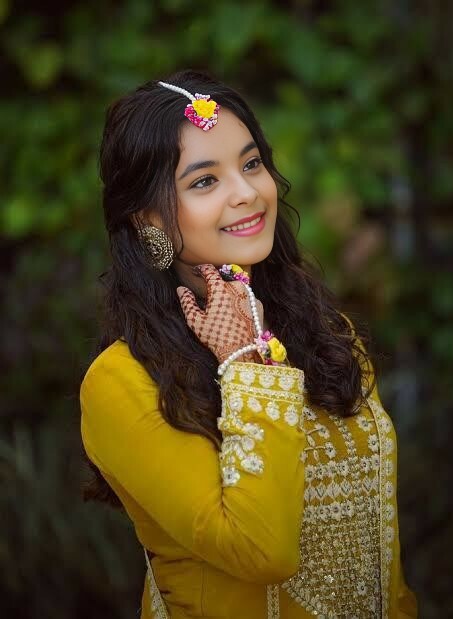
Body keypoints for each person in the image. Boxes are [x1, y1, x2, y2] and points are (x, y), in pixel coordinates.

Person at [79, 70, 417, 619]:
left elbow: (383, 560)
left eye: (252, 163)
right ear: (147, 219)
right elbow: (262, 549)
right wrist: (242, 364)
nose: (247, 193)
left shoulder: (324, 334)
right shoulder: (122, 382)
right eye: (204, 181)